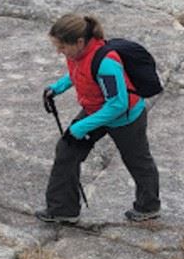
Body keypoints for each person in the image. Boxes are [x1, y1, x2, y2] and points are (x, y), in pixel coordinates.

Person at [38, 14, 161, 224]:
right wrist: (56, 88)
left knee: (138, 161)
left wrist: (82, 127)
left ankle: (148, 206)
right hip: (96, 109)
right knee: (66, 150)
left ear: (79, 42)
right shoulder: (76, 55)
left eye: (62, 47)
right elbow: (78, 73)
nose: (59, 51)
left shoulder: (106, 63)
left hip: (126, 118)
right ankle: (63, 210)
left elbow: (118, 104)